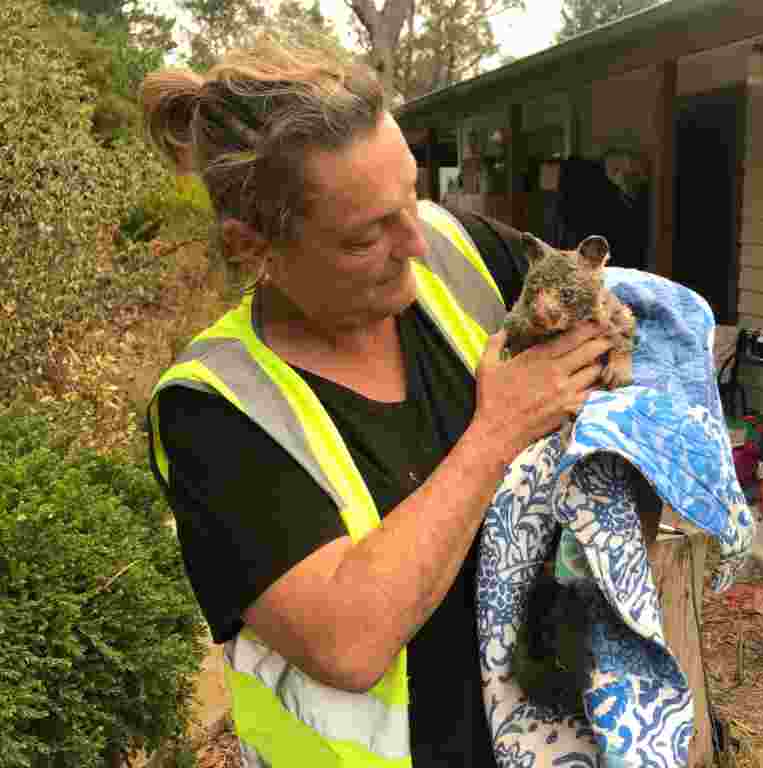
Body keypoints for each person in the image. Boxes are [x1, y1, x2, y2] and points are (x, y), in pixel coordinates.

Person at [139, 39, 615, 768]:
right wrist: (499, 431)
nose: (417, 244)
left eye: (413, 196)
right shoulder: (215, 409)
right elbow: (346, 643)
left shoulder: (462, 252)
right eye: (367, 237)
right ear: (251, 247)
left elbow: (602, 307)